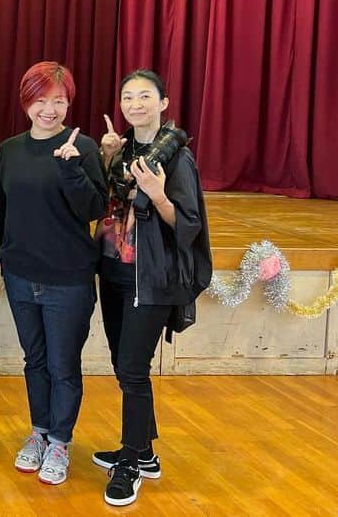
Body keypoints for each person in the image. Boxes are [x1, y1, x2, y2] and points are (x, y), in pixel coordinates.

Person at [93, 70, 211, 506]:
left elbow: (188, 226)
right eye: (128, 96)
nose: (135, 103)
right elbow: (106, 203)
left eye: (145, 96)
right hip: (114, 271)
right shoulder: (121, 148)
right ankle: (145, 451)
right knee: (122, 364)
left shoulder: (177, 158)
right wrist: (107, 161)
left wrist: (159, 196)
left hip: (152, 279)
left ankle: (130, 463)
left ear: (163, 103)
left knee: (133, 369)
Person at [0, 61, 108, 485]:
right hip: (22, 276)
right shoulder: (9, 150)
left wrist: (72, 168)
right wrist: (7, 258)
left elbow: (95, 210)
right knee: (34, 361)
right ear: (26, 102)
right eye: (41, 100)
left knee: (63, 365)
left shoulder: (84, 148)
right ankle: (38, 432)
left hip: (69, 279)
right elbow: (0, 212)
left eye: (59, 100)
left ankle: (60, 441)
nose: (50, 109)